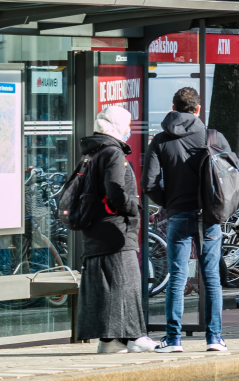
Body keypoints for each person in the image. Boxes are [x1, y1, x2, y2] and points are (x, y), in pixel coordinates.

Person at [144, 87, 232, 352]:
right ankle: (214, 338)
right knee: (211, 277)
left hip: (178, 214)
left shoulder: (160, 140)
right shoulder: (212, 137)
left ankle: (173, 340)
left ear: (173, 107)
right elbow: (230, 176)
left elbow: (149, 182)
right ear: (197, 109)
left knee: (178, 276)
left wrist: (168, 202)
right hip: (210, 215)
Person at [77, 106, 158, 353]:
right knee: (127, 283)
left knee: (109, 285)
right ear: (117, 125)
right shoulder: (112, 152)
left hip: (96, 228)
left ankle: (111, 340)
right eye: (127, 124)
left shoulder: (92, 153)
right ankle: (134, 337)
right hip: (116, 231)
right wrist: (134, 208)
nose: (129, 130)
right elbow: (115, 189)